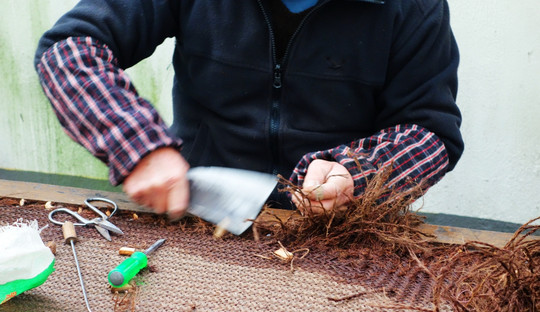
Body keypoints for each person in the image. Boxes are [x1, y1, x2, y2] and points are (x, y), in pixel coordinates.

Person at [34, 0, 463, 219]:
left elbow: (431, 132)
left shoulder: (414, 7)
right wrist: (137, 144)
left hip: (339, 231)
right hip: (196, 212)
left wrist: (359, 173)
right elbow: (69, 50)